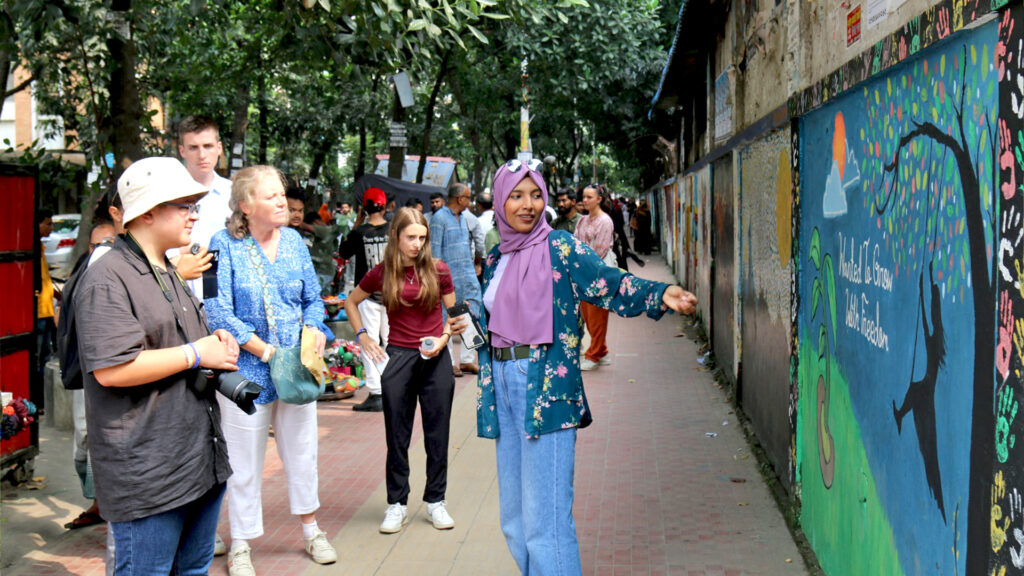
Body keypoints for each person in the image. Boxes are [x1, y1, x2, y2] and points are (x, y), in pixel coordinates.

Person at [477, 159, 696, 574]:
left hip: (544, 385)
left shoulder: (559, 247)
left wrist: (659, 293)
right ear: (501, 201)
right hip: (502, 383)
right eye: (517, 196)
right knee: (516, 523)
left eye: (536, 195)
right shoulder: (495, 257)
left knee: (547, 524)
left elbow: (606, 282)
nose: (528, 205)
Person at [73, 157, 240, 574]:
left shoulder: (167, 267)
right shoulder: (108, 275)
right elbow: (111, 369)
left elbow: (178, 344)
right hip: (149, 476)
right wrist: (196, 354)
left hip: (199, 462)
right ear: (146, 212)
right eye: (184, 204)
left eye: (194, 205)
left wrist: (213, 344)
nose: (193, 214)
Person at [204, 165, 337, 576]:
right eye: (271, 196)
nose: (282, 201)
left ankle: (312, 530)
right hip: (246, 371)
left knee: (303, 453)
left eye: (282, 194)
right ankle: (241, 543)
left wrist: (315, 327)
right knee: (243, 461)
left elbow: (314, 298)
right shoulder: (221, 245)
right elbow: (216, 309)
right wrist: (264, 352)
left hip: (296, 370)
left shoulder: (296, 241)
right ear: (245, 205)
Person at [344, 207, 464, 534]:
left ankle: (436, 501)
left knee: (437, 435)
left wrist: (443, 339)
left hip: (435, 357)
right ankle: (396, 504)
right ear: (396, 236)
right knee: (397, 437)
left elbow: (454, 315)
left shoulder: (439, 270)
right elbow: (351, 302)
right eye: (410, 237)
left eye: (421, 238)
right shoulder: (381, 272)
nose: (416, 243)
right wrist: (363, 334)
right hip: (398, 358)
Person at [338, 187, 392, 412]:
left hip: (367, 295)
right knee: (392, 342)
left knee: (369, 342)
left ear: (365, 207)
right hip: (392, 295)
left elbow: (343, 253)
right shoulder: (394, 229)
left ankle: (376, 391)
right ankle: (394, 387)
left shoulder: (359, 232)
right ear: (385, 204)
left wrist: (357, 221)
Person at [171, 115, 234, 298]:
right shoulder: (167, 194)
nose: (202, 155)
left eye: (208, 146)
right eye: (193, 148)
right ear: (182, 151)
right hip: (177, 287)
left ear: (219, 148)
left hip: (223, 292)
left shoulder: (234, 195)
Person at [429, 182, 482, 377]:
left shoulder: (464, 218)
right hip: (446, 280)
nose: (469, 201)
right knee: (447, 318)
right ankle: (450, 362)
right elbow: (434, 253)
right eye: (468, 197)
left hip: (467, 278)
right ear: (460, 199)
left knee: (472, 315)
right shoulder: (439, 218)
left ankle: (467, 361)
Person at [574, 183, 615, 371]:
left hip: (598, 274)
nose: (585, 200)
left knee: (597, 315)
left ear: (599, 199)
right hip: (583, 272)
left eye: (589, 197)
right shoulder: (582, 221)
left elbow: (600, 249)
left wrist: (582, 263)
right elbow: (575, 242)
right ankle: (602, 351)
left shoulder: (605, 221)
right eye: (584, 197)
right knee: (588, 315)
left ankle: (594, 354)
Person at [37, 209, 55, 381]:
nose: (51, 228)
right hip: (39, 312)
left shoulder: (40, 249)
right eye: (48, 223)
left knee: (45, 357)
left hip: (47, 309)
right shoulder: (33, 251)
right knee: (40, 358)